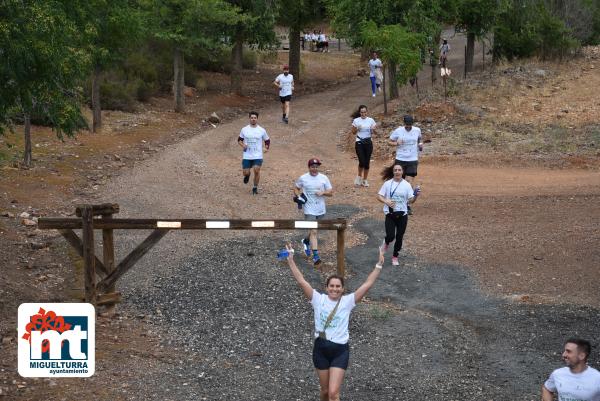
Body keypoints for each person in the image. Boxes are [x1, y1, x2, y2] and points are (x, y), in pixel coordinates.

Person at [283, 242, 384, 401]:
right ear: (326, 287)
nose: (335, 289)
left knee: (333, 393)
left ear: (343, 289)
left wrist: (379, 265)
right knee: (324, 392)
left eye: (338, 286)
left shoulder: (348, 301)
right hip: (320, 349)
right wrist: (290, 260)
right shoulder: (318, 299)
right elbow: (302, 281)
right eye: (332, 286)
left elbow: (367, 284)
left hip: (340, 351)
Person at [377, 163, 420, 266]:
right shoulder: (387, 184)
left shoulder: (407, 185)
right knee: (391, 236)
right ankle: (386, 243)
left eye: (399, 170)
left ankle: (395, 256)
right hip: (390, 214)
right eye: (395, 170)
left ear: (402, 172)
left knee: (399, 237)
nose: (397, 172)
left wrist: (416, 196)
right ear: (393, 172)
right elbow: (379, 196)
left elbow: (411, 201)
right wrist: (386, 201)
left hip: (402, 215)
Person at [294, 158, 333, 266]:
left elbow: (331, 192)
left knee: (314, 231)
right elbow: (296, 188)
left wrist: (323, 192)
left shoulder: (324, 178)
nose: (314, 169)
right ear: (309, 167)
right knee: (314, 232)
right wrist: (298, 197)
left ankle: (306, 241)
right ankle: (316, 256)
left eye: (316, 167)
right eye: (312, 167)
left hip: (320, 209)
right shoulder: (303, 178)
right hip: (309, 208)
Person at [388, 114, 423, 214]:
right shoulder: (398, 130)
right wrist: (396, 143)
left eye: (410, 124)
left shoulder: (417, 130)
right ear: (404, 123)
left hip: (412, 159)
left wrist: (420, 145)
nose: (408, 126)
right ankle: (396, 202)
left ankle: (407, 205)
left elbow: (419, 138)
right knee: (399, 181)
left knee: (408, 182)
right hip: (400, 159)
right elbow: (389, 142)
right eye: (407, 124)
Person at [237, 111, 270, 195]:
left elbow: (267, 140)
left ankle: (255, 187)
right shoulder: (244, 129)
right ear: (249, 118)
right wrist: (243, 145)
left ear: (257, 119)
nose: (253, 119)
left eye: (255, 118)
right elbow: (239, 140)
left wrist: (266, 148)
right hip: (247, 155)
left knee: (256, 170)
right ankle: (247, 175)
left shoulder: (261, 130)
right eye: (252, 118)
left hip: (257, 155)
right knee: (246, 172)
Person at [350, 105, 377, 187]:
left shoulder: (371, 120)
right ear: (359, 112)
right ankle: (359, 177)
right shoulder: (356, 120)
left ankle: (365, 180)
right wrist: (357, 128)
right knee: (362, 161)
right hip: (359, 142)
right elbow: (353, 132)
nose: (363, 114)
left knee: (367, 163)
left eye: (365, 112)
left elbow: (375, 132)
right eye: (362, 112)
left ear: (367, 112)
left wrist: (373, 130)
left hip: (368, 142)